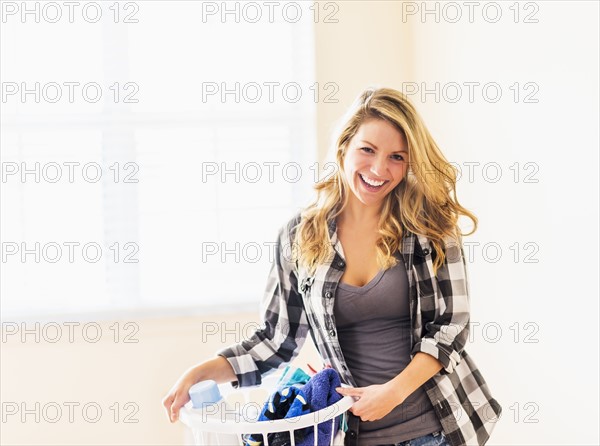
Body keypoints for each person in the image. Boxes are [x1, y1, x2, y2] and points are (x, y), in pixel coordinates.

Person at [162, 87, 502, 446]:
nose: (378, 169)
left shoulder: (429, 228)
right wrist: (200, 372)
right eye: (367, 150)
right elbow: (276, 340)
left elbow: (450, 328)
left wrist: (392, 392)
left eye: (397, 157)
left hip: (434, 429)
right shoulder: (300, 236)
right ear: (344, 147)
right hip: (352, 434)